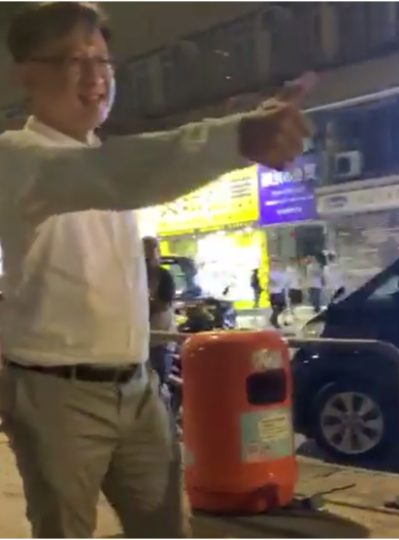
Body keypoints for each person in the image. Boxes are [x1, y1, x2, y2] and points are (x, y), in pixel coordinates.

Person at [0, 3, 308, 537]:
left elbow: (121, 173)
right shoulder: (20, 157)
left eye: (103, 60)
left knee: (168, 526)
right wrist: (235, 138)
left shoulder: (103, 160)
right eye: (76, 59)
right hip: (57, 396)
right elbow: (113, 174)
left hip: (138, 388)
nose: (97, 76)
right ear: (29, 73)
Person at [143, 237, 176, 393]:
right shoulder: (137, 276)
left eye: (152, 250)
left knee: (159, 383)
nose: (148, 257)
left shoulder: (164, 276)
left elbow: (163, 304)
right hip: (144, 341)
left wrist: (145, 304)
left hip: (161, 341)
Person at [268, 258, 289, 328]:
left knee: (282, 307)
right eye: (273, 263)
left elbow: (284, 281)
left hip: (279, 291)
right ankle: (274, 321)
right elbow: (270, 282)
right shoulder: (269, 273)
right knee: (276, 308)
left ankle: (273, 319)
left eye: (276, 263)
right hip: (273, 292)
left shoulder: (280, 273)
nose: (275, 265)